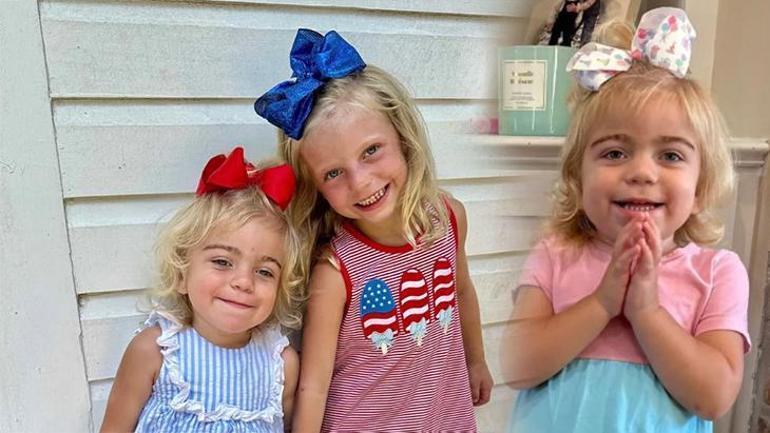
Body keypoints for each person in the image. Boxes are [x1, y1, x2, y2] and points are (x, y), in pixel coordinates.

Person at [502, 8, 750, 433]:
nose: (641, 172)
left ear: (701, 188)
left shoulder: (717, 273)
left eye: (670, 155)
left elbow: (713, 397)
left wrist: (646, 312)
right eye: (615, 153)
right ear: (578, 178)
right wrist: (602, 303)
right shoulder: (556, 254)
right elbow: (517, 366)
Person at [254, 29, 493, 432]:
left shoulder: (449, 218)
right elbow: (313, 386)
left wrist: (475, 359)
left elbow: (462, 291)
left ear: (402, 137)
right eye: (333, 173)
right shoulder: (336, 271)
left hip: (442, 414)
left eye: (370, 151)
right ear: (316, 187)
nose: (361, 182)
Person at [100, 147, 302, 433]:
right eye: (222, 262)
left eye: (265, 271)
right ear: (182, 273)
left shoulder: (280, 365)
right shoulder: (156, 352)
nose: (244, 282)